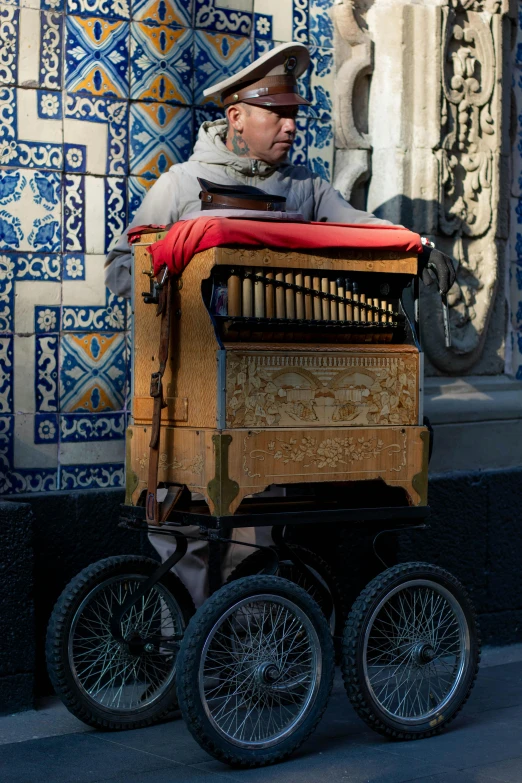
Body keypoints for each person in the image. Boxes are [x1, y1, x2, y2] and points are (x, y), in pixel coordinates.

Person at [105, 41, 455, 606]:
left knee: (255, 527)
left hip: (266, 392)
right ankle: (184, 641)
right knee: (179, 528)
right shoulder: (180, 185)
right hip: (184, 388)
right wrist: (186, 286)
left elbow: (363, 229)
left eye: (295, 114)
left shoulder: (304, 189)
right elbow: (124, 270)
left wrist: (420, 246)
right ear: (236, 117)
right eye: (278, 113)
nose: (291, 127)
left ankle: (243, 645)